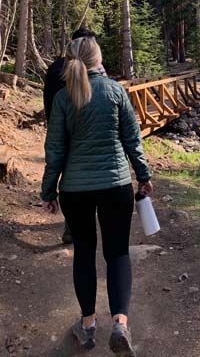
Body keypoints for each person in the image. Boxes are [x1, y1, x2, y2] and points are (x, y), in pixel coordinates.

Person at [41, 36, 152, 356]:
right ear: (98, 59)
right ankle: (120, 324)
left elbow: (55, 151)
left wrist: (48, 191)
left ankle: (88, 325)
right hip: (116, 186)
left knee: (84, 253)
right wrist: (144, 177)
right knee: (117, 253)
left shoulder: (63, 98)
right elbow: (133, 140)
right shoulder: (117, 92)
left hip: (75, 191)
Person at [43, 28, 105, 245]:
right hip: (87, 129)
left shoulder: (54, 68)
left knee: (68, 174)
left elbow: (48, 100)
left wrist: (53, 127)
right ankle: (91, 220)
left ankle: (72, 226)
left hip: (60, 128)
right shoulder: (95, 68)